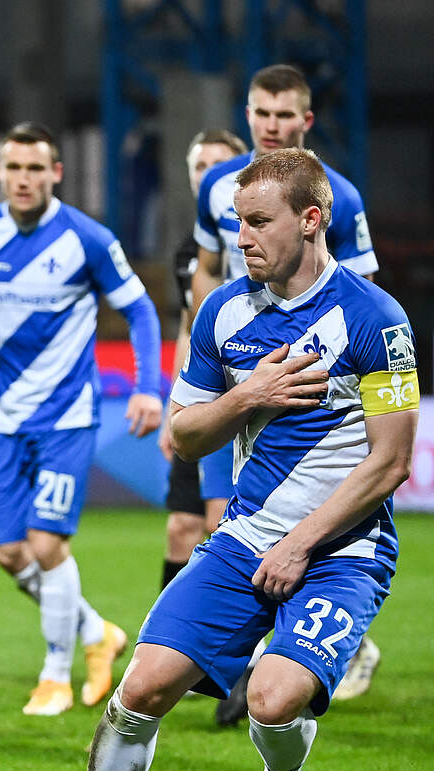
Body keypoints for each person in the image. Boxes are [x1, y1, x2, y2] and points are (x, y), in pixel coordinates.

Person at [19, 147, 418, 771]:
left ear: (311, 219)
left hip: (344, 551)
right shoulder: (223, 311)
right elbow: (185, 434)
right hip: (244, 540)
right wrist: (247, 397)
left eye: (259, 222)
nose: (243, 238)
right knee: (140, 689)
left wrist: (301, 544)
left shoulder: (377, 320)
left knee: (272, 701)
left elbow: (390, 463)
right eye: (238, 222)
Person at [0, 122, 163, 716]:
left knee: (46, 544)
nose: (24, 179)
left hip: (67, 415)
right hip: (3, 415)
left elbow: (141, 311)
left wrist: (148, 387)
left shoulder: (87, 239)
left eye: (36, 168)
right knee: (10, 554)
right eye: (14, 168)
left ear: (56, 174)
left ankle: (55, 676)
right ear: (0, 172)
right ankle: (97, 632)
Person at [192, 65, 382, 719]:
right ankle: (252, 664)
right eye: (262, 113)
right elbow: (206, 273)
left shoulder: (340, 196)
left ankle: (312, 648)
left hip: (305, 385)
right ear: (247, 115)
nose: (272, 125)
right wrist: (202, 364)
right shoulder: (218, 186)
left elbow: (361, 294)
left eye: (284, 115)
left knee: (299, 523)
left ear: (306, 120)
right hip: (238, 375)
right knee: (222, 520)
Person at [159, 129, 248, 595]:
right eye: (200, 166)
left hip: (248, 392)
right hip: (202, 395)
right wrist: (171, 409)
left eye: (219, 165)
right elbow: (187, 330)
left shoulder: (258, 247)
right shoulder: (187, 255)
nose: (208, 175)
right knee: (182, 527)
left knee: (222, 524)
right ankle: (169, 629)